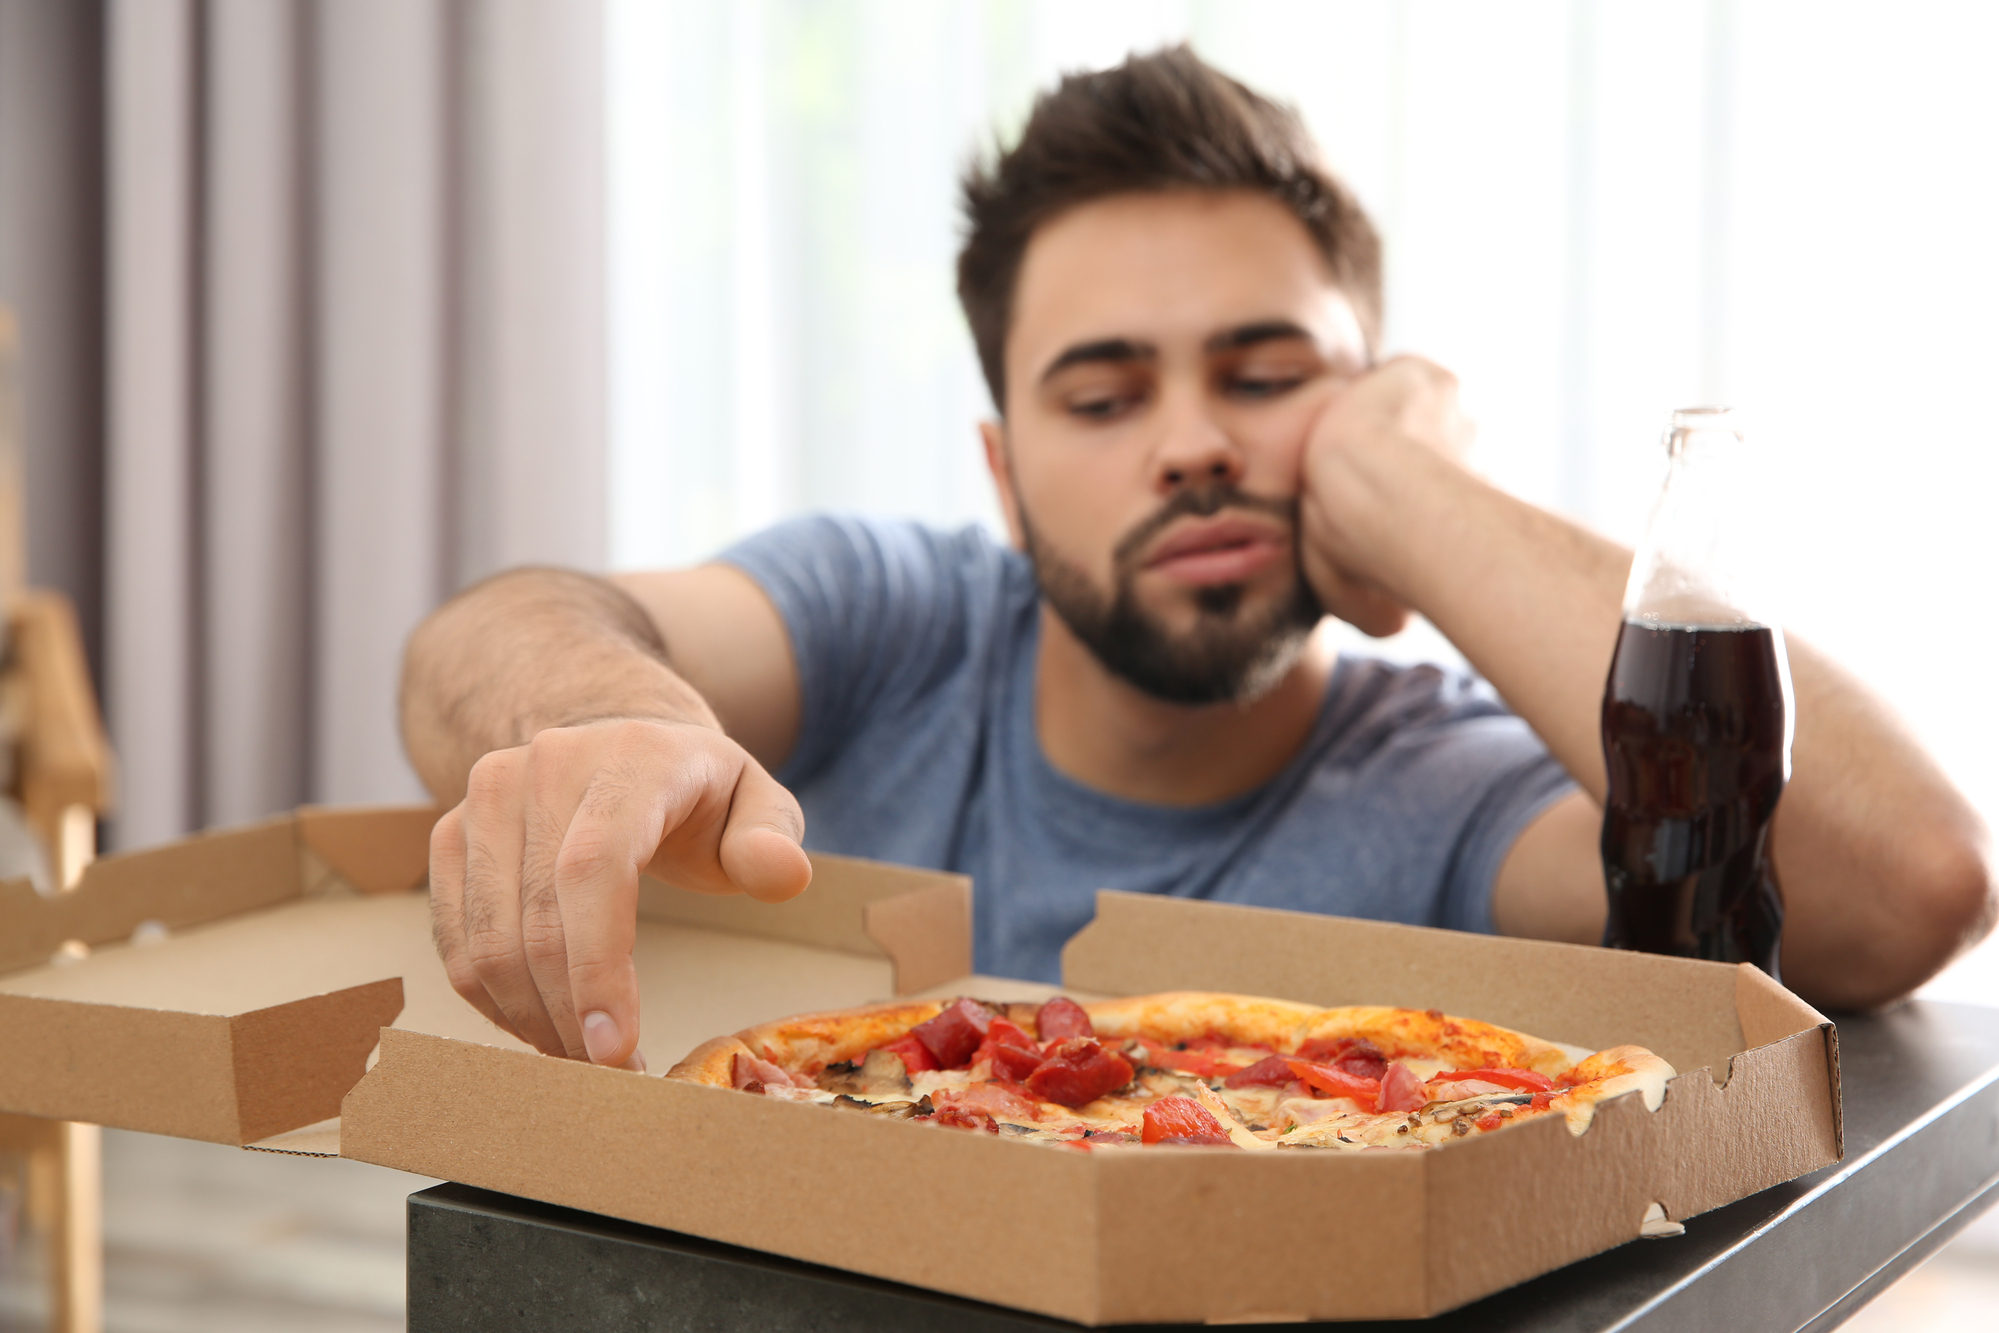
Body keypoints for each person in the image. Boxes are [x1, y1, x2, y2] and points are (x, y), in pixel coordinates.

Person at [400, 47, 1992, 1073]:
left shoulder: (1437, 787)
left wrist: (1403, 479)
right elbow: (494, 633)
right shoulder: (894, 619)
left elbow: (1906, 883)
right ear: (1004, 474)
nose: (1190, 445)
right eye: (1104, 395)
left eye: (1268, 376)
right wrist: (625, 721)